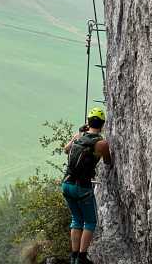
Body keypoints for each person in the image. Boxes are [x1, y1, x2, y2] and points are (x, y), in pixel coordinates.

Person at [62, 107, 112, 264]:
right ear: (103, 125)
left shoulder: (78, 137)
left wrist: (79, 133)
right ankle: (82, 258)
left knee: (76, 219)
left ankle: (74, 256)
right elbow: (108, 161)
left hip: (67, 184)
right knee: (89, 222)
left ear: (88, 122)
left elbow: (66, 149)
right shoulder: (101, 144)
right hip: (82, 187)